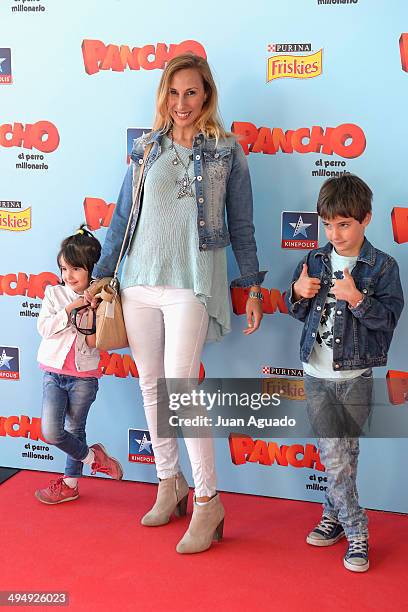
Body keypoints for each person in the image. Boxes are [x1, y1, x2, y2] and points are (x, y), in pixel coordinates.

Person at [91, 53, 266, 553]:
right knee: (152, 386)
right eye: (173, 93)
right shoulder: (146, 149)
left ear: (206, 95)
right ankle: (170, 483)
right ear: (163, 97)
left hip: (192, 283)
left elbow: (243, 228)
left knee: (181, 388)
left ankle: (209, 502)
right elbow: (122, 217)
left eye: (191, 92)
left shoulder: (227, 152)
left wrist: (252, 286)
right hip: (138, 281)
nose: (181, 103)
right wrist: (103, 275)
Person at [285, 174, 404, 572]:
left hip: (355, 378)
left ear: (366, 219)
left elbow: (388, 320)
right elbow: (298, 310)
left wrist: (356, 299)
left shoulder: (382, 267)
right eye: (328, 224)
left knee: (344, 458)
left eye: (345, 224)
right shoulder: (315, 260)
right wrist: (296, 294)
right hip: (316, 375)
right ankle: (357, 532)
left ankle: (333, 518)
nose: (335, 233)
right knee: (336, 459)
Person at [35, 225, 123, 505]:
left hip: (84, 376)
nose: (68, 276)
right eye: (63, 269)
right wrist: (71, 308)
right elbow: (45, 329)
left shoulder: (103, 294)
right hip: (53, 372)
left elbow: (103, 336)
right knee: (51, 431)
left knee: (76, 429)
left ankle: (70, 485)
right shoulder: (54, 295)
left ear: (90, 267)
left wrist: (96, 304)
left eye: (75, 269)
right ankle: (93, 457)